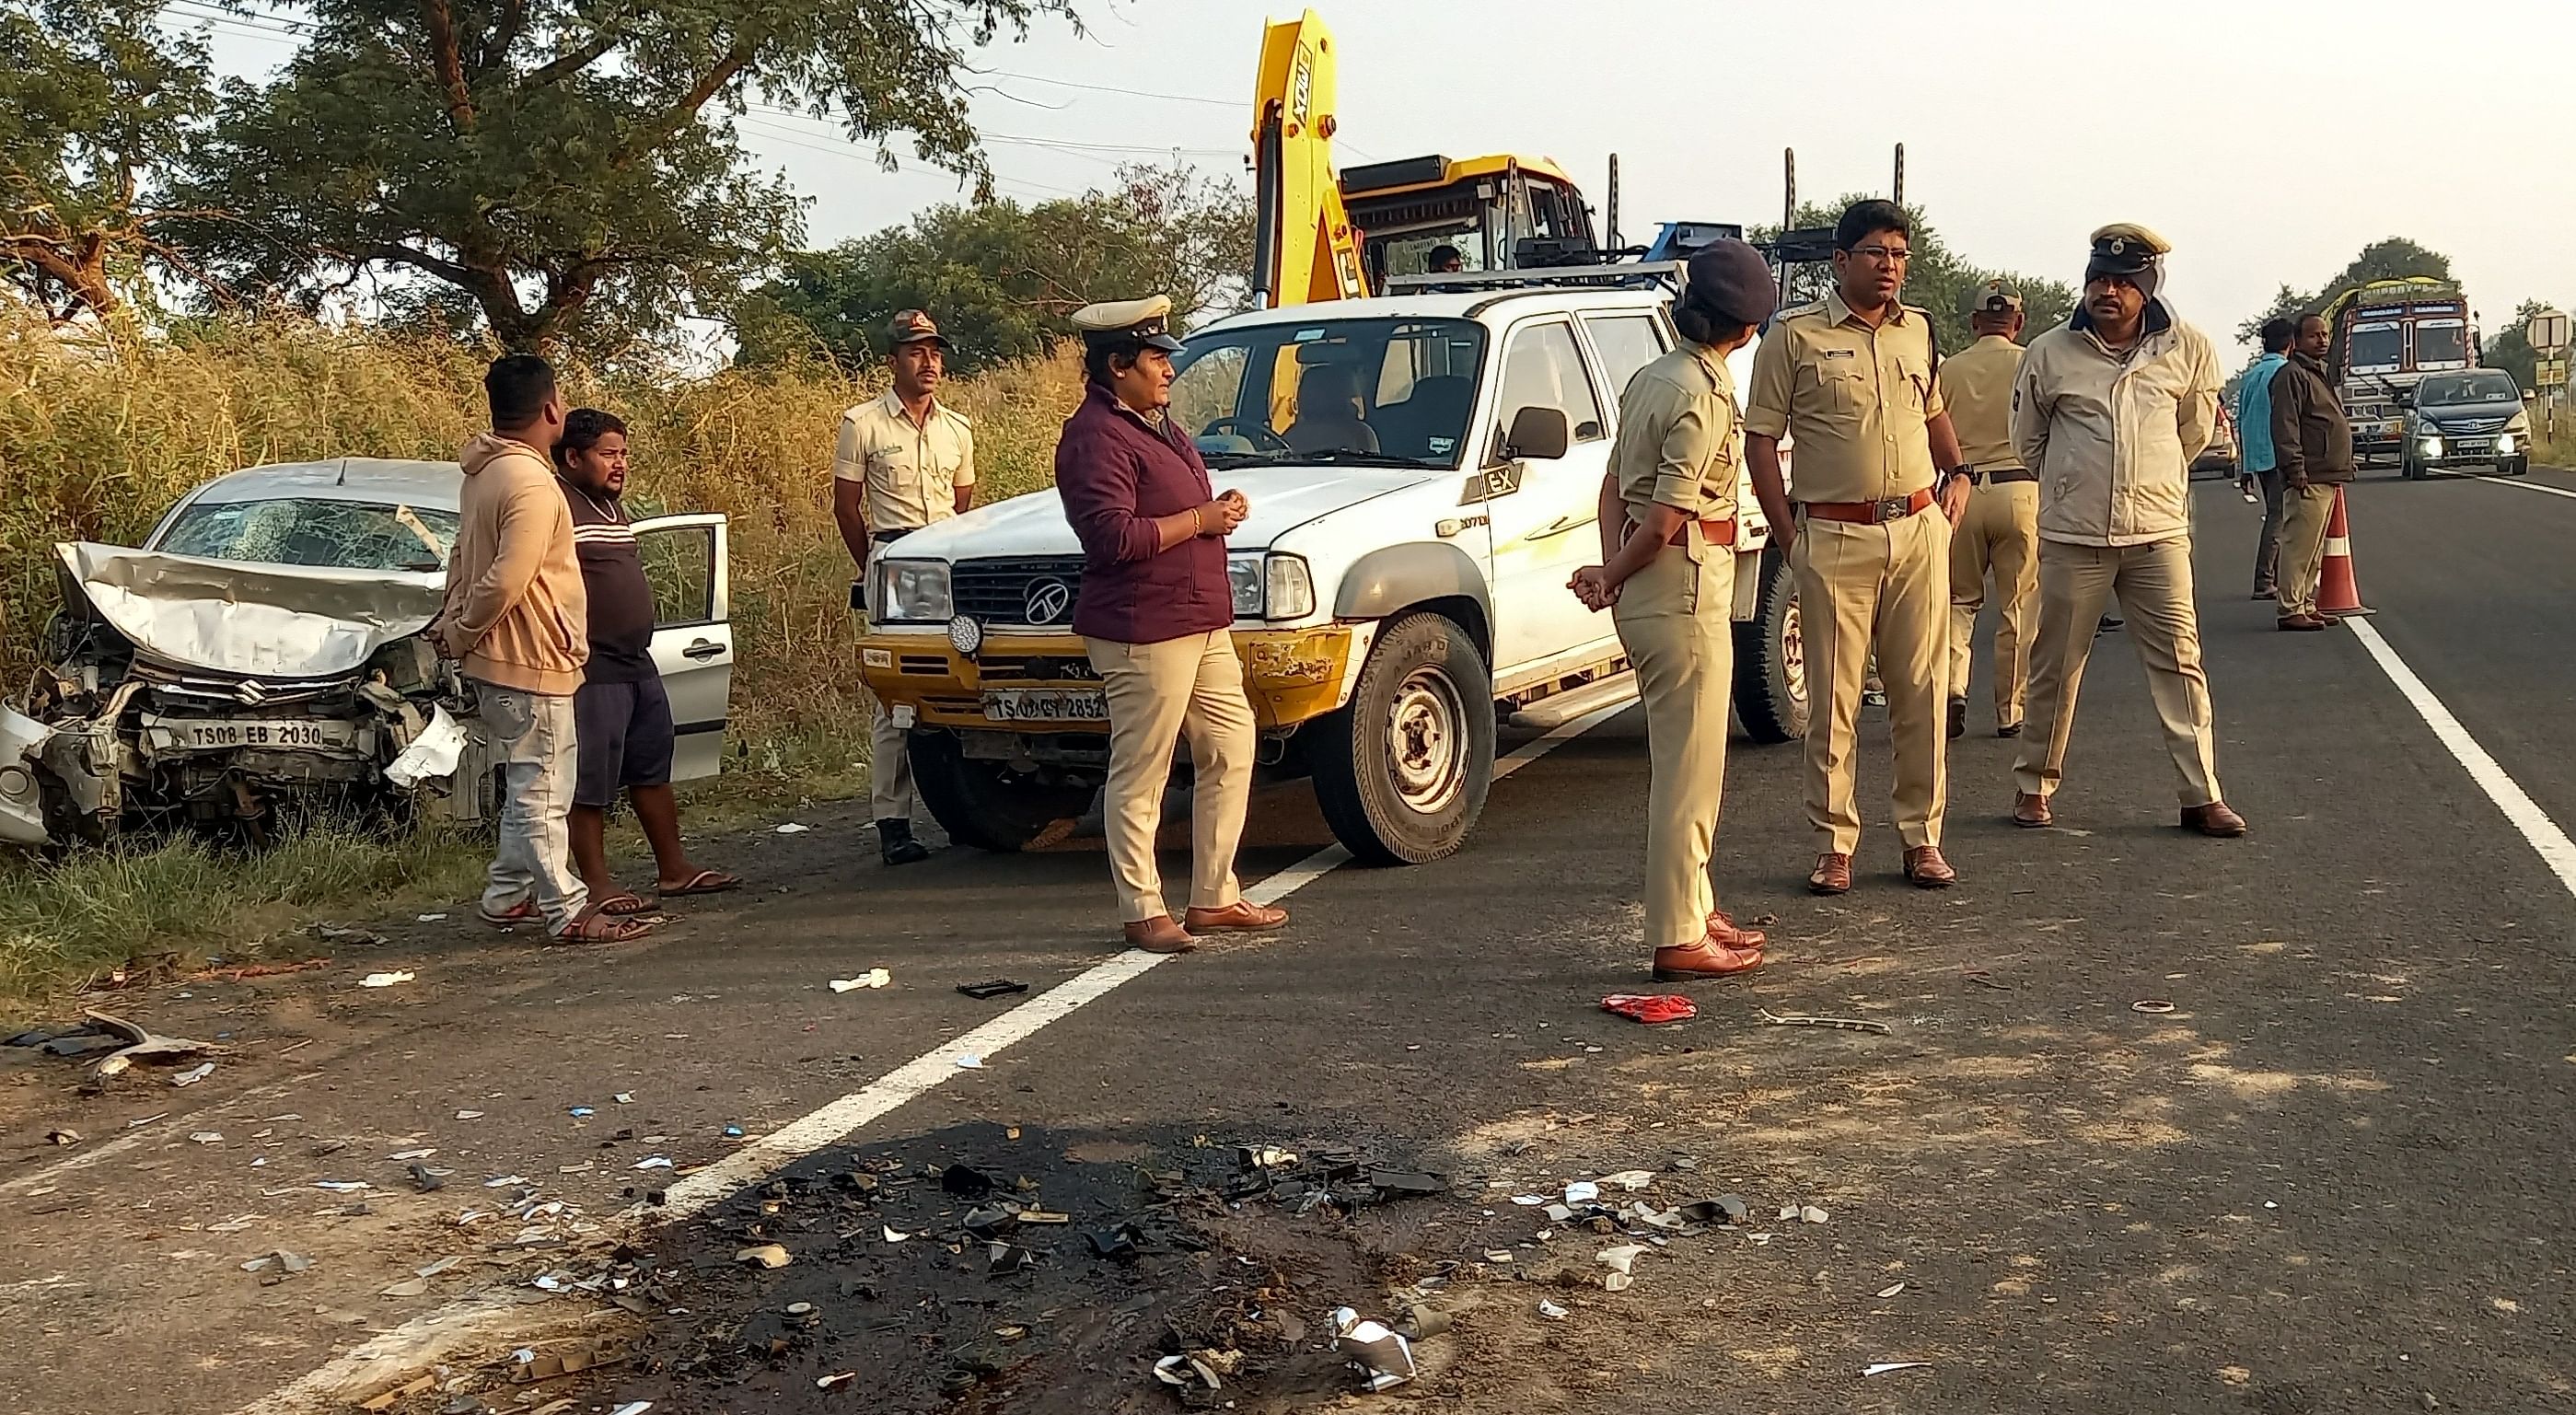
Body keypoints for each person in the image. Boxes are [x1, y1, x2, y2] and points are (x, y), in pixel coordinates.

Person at [1745, 199, 1973, 896]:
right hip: (1833, 535)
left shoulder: (1919, 331)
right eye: (1877, 254)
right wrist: (1790, 538)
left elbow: (1933, 412)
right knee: (1835, 696)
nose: (1891, 268)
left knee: (1923, 691)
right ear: (1841, 261)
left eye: (1901, 255)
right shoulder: (1795, 337)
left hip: (1917, 529)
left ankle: (1921, 837)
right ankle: (1835, 842)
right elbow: (1759, 440)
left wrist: (1959, 474)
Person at [1567, 241, 1776, 981]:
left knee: (1690, 766)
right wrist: (1618, 570)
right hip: (1685, 588)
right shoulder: (1702, 393)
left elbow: (1613, 491)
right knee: (1689, 775)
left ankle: (1696, 904)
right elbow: (1663, 520)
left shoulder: (1653, 376)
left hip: (1657, 588)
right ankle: (1678, 934)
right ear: (1747, 328)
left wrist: (1608, 570)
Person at [1054, 296, 1287, 953]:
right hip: (1143, 626)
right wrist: (1201, 521)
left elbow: (1173, 506)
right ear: (1117, 365)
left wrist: (1216, 510)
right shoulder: (1094, 436)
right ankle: (1142, 906)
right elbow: (1109, 537)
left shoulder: (1158, 425)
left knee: (1231, 746)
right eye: (1157, 359)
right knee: (1142, 769)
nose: (1169, 370)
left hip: (1199, 618)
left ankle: (1214, 894)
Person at [2008, 224, 2246, 838]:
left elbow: (2194, 433)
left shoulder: (2186, 348)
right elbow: (2028, 442)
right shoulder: (2050, 352)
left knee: (2180, 663)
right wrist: (2069, 482)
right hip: (2073, 535)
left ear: (2148, 289)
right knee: (2054, 666)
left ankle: (2201, 794)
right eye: (2098, 280)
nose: (2106, 292)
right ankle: (2034, 783)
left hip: (2156, 534)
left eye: (2121, 282)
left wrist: (2151, 481)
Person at [435, 355, 648, 944]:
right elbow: (509, 576)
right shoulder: (530, 481)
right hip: (531, 658)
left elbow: (462, 557)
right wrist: (464, 628)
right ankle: (567, 909)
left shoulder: (484, 474)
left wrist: (457, 623)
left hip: (502, 658)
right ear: (552, 409)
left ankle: (507, 895)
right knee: (546, 787)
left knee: (530, 779)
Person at [553, 408, 741, 915]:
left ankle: (674, 870)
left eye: (623, 454)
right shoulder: (557, 507)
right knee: (590, 783)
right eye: (607, 454)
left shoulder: (614, 510)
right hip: (592, 671)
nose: (620, 465)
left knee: (652, 771)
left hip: (639, 663)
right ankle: (595, 884)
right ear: (573, 457)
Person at [835, 308, 977, 864]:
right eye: (916, 351)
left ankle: (968, 803)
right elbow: (847, 507)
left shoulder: (957, 428)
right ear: (893, 359)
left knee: (960, 678)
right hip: (893, 558)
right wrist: (873, 564)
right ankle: (893, 821)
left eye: (935, 351)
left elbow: (962, 505)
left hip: (945, 559)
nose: (929, 362)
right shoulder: (863, 423)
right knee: (894, 696)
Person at [1941, 279, 2038, 741]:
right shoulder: (2032, 365)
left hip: (1962, 492)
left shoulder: (1949, 370)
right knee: (2018, 606)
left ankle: (1954, 686)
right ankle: (2010, 710)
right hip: (2020, 491)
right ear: (2018, 322)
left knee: (1959, 602)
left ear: (1975, 322)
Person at [2268, 313, 2354, 632]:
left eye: (2325, 335)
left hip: (2326, 473)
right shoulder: (2292, 375)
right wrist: (2295, 467)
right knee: (2299, 544)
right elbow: (2286, 425)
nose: (2322, 340)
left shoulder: (2318, 374)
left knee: (2314, 547)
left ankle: (2305, 602)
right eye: (2314, 335)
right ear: (2296, 341)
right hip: (2308, 475)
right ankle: (2290, 607)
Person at [2236, 318, 2295, 599]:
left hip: (2258, 456)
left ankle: (2273, 577)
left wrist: (2244, 467)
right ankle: (2265, 580)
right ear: (2291, 343)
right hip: (2280, 453)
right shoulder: (2286, 372)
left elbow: (2242, 421)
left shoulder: (2251, 376)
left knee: (2277, 515)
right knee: (2279, 517)